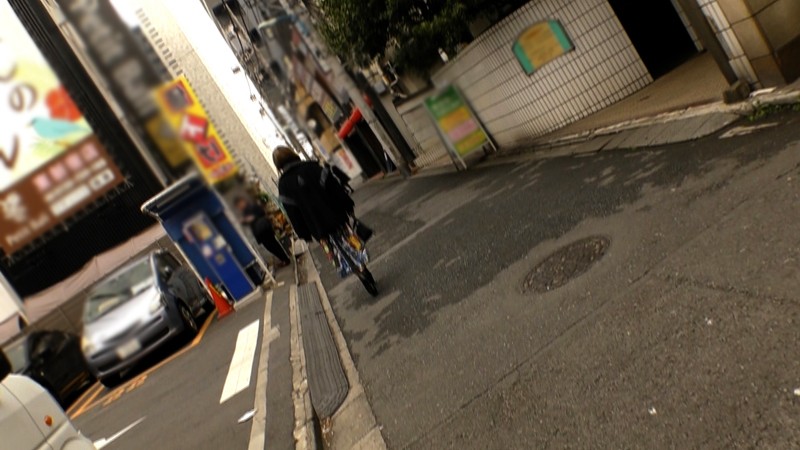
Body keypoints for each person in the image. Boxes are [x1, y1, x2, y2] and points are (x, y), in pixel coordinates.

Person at [273, 146, 377, 295]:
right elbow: (335, 188)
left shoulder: (284, 185)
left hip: (317, 228)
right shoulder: (313, 167)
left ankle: (359, 273)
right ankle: (363, 268)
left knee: (338, 253)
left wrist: (304, 234)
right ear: (292, 154)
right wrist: (347, 205)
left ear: (278, 164)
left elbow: (293, 213)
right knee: (351, 244)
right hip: (336, 216)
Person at [235, 196, 291, 267]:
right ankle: (283, 259)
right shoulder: (245, 212)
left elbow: (261, 212)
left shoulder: (252, 206)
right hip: (260, 232)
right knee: (270, 247)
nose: (240, 207)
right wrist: (244, 221)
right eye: (238, 206)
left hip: (265, 230)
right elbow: (248, 222)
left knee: (274, 245)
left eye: (240, 204)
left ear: (242, 201)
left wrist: (253, 217)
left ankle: (285, 259)